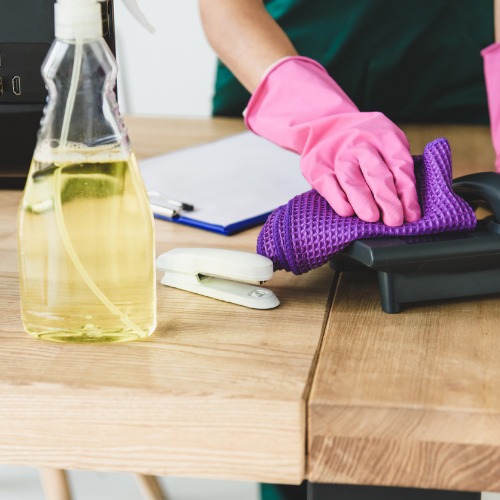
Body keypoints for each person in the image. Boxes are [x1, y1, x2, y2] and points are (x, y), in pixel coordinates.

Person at [198, 1, 493, 499]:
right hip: (279, 88)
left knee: (442, 404)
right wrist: (319, 120)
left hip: (455, 92)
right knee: (288, 394)